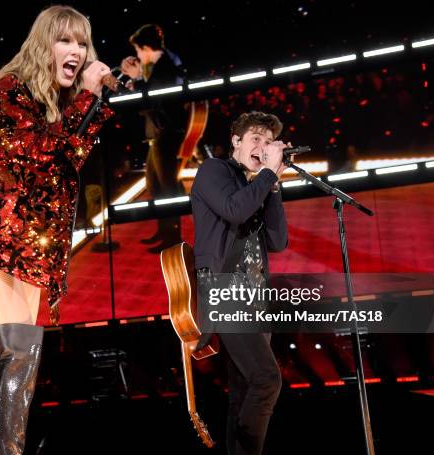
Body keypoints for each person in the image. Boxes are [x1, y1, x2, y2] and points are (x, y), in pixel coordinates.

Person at [0, 6, 114, 454]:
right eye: (66, 41)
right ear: (44, 45)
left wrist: (91, 105)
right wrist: (88, 99)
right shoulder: (9, 91)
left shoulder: (59, 107)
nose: (76, 51)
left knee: (17, 357)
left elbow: (66, 160)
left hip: (28, 253)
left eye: (82, 43)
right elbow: (39, 158)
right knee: (18, 349)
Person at [190, 111, 289, 455]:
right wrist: (265, 176)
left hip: (257, 298)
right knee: (267, 379)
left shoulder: (258, 184)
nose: (262, 147)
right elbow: (234, 210)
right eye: (255, 139)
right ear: (236, 141)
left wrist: (273, 186)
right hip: (225, 290)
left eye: (268, 141)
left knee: (246, 389)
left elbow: (277, 241)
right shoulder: (214, 170)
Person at [120, 24, 188, 253]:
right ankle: (165, 230)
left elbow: (153, 101)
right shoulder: (163, 64)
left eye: (139, 50)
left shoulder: (164, 67)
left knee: (166, 186)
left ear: (147, 48)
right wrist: (138, 83)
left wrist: (138, 80)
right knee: (155, 184)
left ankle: (173, 236)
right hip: (159, 133)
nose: (138, 56)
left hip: (165, 133)